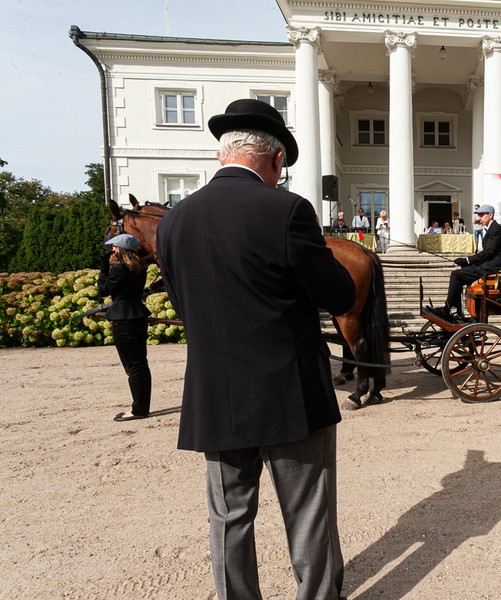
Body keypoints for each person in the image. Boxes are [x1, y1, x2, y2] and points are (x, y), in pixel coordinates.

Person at [156, 98, 354, 600]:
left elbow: (184, 304)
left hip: (216, 392)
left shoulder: (175, 221)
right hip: (290, 390)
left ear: (225, 152)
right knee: (307, 512)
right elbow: (338, 294)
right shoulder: (287, 209)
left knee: (228, 517)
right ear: (276, 160)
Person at [98, 233, 152, 422]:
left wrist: (104, 268)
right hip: (138, 316)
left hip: (123, 320)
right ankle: (142, 407)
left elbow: (102, 290)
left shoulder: (119, 270)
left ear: (121, 249)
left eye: (114, 248)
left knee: (133, 367)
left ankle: (138, 410)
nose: (112, 251)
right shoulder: (140, 268)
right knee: (141, 364)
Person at [429, 204, 501, 321]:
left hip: (491, 269)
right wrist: (467, 262)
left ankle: (447, 309)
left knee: (456, 275)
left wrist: (468, 260)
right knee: (460, 274)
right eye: (478, 215)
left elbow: (488, 253)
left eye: (481, 215)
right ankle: (459, 312)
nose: (479, 218)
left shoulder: (495, 229)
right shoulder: (491, 229)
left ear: (490, 215)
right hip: (486, 266)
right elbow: (488, 253)